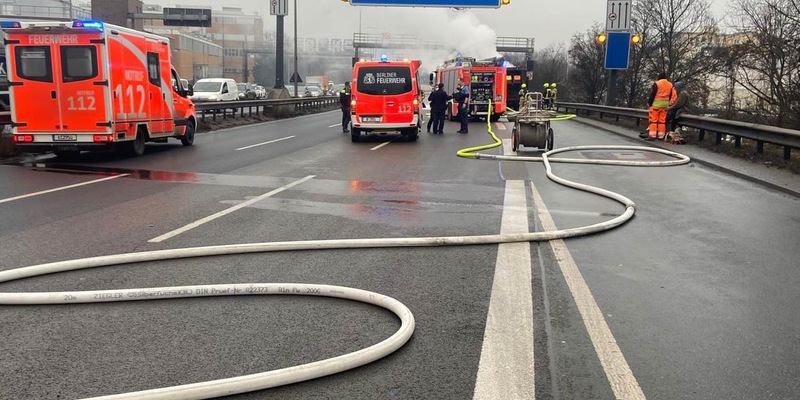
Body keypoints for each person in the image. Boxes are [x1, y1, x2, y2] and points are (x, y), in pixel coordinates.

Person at [646, 73, 677, 140]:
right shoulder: (670, 84)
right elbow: (671, 95)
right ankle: (661, 136)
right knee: (662, 121)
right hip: (664, 105)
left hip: (656, 105)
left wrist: (650, 103)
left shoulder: (657, 83)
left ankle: (652, 136)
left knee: (653, 121)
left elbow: (653, 94)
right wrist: (668, 103)